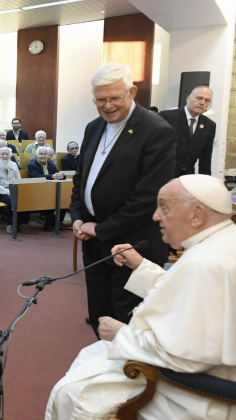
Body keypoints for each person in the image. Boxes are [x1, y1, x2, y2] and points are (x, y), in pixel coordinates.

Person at [46, 175, 236, 420]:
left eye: (164, 208)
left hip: (210, 396)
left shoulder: (209, 262)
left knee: (71, 393)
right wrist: (141, 266)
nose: (155, 216)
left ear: (197, 214)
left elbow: (187, 356)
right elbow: (188, 293)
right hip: (227, 374)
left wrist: (121, 335)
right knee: (91, 357)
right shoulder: (229, 241)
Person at [70, 63, 175, 337]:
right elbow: (81, 179)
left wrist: (101, 229)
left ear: (132, 92)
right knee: (100, 319)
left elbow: (147, 198)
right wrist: (78, 215)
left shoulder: (156, 131)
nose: (107, 106)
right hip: (94, 244)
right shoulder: (94, 127)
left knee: (130, 325)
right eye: (100, 99)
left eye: (114, 98)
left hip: (134, 245)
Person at [159, 86, 216, 176]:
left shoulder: (209, 125)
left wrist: (205, 183)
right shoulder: (166, 117)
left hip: (187, 178)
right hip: (163, 175)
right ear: (188, 98)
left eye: (207, 100)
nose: (202, 102)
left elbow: (206, 158)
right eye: (199, 98)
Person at [0, 147, 28, 234]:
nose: (5, 156)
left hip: (13, 189)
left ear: (10, 155)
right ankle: (10, 223)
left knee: (26, 198)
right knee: (12, 199)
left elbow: (19, 179)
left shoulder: (14, 164)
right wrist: (10, 192)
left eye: (7, 154)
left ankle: (21, 223)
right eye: (2, 154)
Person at [28, 146, 66, 231]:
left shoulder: (51, 164)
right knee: (51, 200)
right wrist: (52, 176)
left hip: (50, 190)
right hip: (36, 190)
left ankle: (56, 222)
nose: (43, 156)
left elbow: (57, 172)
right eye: (41, 154)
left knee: (64, 201)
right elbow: (36, 176)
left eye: (45, 154)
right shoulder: (32, 165)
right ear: (36, 155)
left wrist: (61, 175)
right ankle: (48, 224)